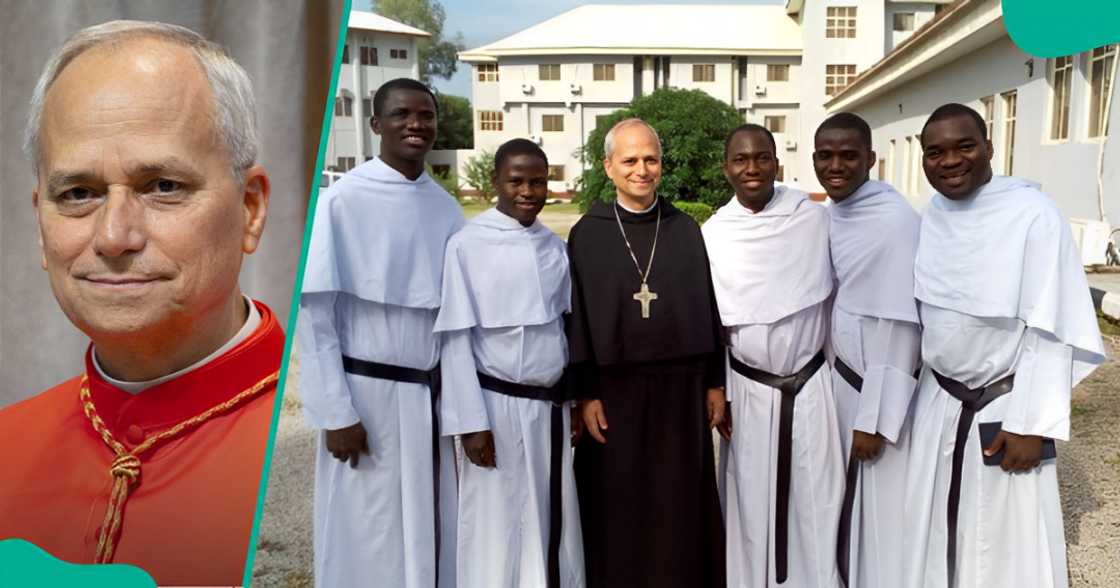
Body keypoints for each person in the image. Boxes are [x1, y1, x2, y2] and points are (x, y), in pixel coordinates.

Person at [0, 21, 279, 586]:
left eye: (162, 186)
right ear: (39, 222)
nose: (114, 236)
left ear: (250, 209)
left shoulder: (311, 449)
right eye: (78, 194)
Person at [905, 103, 1105, 588]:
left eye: (964, 146)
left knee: (1005, 547)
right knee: (933, 534)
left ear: (990, 148)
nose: (950, 160)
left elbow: (1051, 325)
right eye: (936, 152)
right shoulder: (929, 215)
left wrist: (1031, 425)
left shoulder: (1033, 214)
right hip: (940, 402)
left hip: (1005, 407)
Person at [299, 78, 461, 588]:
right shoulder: (342, 201)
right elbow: (316, 316)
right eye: (402, 115)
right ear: (375, 125)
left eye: (426, 115)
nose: (417, 124)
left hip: (428, 396)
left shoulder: (445, 207)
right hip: (365, 398)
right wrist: (335, 411)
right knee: (367, 530)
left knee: (430, 524)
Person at [567, 118, 726, 588]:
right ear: (608, 167)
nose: (642, 169)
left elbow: (706, 307)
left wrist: (714, 381)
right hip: (614, 396)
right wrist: (585, 394)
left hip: (680, 394)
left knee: (677, 501)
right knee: (618, 503)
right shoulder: (587, 234)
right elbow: (577, 319)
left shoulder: (684, 229)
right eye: (630, 160)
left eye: (650, 159)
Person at [435, 138, 585, 588]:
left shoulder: (553, 247)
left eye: (538, 182)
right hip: (495, 407)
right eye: (516, 181)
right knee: (496, 519)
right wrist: (469, 421)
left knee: (549, 511)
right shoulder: (467, 245)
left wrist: (573, 399)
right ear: (494, 182)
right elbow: (457, 339)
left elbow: (563, 328)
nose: (528, 191)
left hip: (550, 407)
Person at [703, 124, 842, 588]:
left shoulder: (812, 220)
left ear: (777, 163)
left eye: (762, 158)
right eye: (741, 160)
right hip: (748, 388)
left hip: (810, 384)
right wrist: (719, 386)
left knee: (817, 497)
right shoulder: (715, 234)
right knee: (751, 500)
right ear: (727, 169)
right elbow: (711, 324)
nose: (752, 168)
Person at [812, 113, 921, 588]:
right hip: (836, 384)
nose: (835, 166)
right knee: (838, 504)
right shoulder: (832, 214)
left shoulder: (893, 221)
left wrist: (874, 419)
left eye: (848, 155)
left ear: (871, 160)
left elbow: (900, 328)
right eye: (825, 155)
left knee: (878, 512)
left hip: (873, 394)